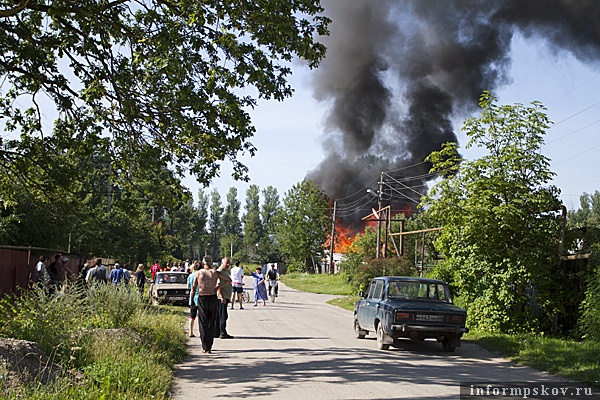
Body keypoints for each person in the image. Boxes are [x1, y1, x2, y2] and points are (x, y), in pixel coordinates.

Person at [191, 255, 231, 354]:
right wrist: (218, 287)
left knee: (203, 322)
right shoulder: (215, 273)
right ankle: (209, 345)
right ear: (211, 262)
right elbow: (228, 280)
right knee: (211, 321)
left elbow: (194, 287)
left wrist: (192, 300)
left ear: (203, 262)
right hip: (212, 297)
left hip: (202, 297)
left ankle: (205, 346)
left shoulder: (199, 273)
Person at [217, 258, 234, 339]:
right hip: (222, 297)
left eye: (229, 263)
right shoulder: (219, 272)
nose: (228, 265)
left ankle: (220, 331)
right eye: (226, 263)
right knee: (222, 315)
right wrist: (222, 296)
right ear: (222, 263)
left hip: (225, 296)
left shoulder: (224, 272)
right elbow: (218, 285)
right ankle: (222, 332)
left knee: (224, 315)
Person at [187, 261, 201, 337]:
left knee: (192, 316)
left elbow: (188, 287)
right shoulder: (201, 275)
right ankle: (201, 331)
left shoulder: (190, 276)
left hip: (192, 298)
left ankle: (191, 332)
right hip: (200, 297)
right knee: (201, 316)